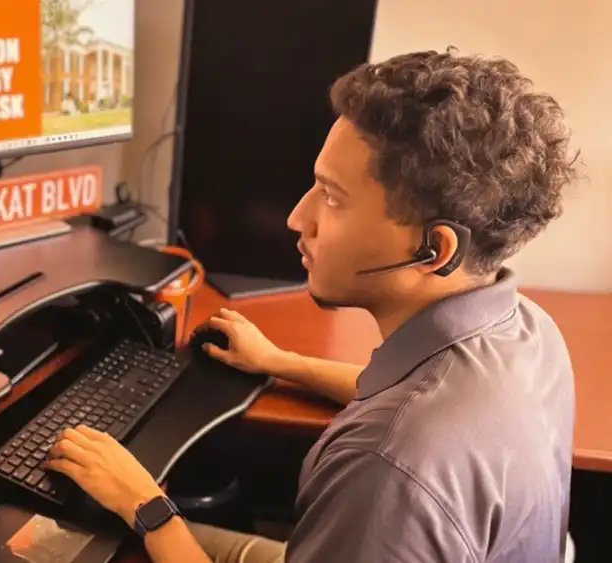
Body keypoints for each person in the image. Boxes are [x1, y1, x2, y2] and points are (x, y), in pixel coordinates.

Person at [44, 49, 578, 562]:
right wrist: (280, 363)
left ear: (433, 250)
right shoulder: (528, 332)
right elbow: (405, 397)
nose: (298, 218)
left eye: (333, 197)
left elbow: (405, 436)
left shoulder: (390, 467)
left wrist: (146, 504)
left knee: (87, 541)